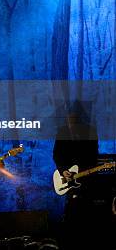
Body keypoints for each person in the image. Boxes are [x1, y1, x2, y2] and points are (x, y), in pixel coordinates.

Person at [52, 101, 99, 249]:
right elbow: (56, 155)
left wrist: (82, 170)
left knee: (86, 213)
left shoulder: (90, 132)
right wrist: (63, 170)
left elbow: (93, 157)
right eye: (68, 118)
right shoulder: (62, 132)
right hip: (69, 178)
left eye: (73, 118)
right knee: (71, 210)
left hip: (86, 179)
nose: (70, 121)